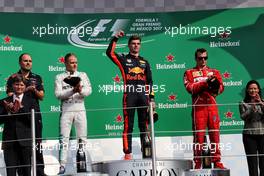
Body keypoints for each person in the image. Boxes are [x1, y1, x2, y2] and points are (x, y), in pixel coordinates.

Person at [106, 31, 155, 160]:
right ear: (129, 45)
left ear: (140, 46)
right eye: (133, 44)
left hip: (143, 96)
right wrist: (115, 38)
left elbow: (150, 82)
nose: (136, 46)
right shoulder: (123, 59)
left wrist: (152, 98)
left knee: (144, 125)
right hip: (130, 96)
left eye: (138, 44)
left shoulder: (145, 62)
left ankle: (147, 151)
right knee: (128, 125)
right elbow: (109, 53)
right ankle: (128, 154)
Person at [183, 48, 225, 169]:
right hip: (199, 107)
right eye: (200, 58)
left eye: (205, 58)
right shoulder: (189, 72)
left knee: (215, 135)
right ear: (196, 59)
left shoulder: (214, 72)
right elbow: (190, 88)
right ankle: (197, 162)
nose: (203, 60)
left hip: (212, 106)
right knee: (199, 137)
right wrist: (206, 83)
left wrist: (215, 87)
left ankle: (217, 161)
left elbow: (221, 88)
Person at [6, 53, 46, 176]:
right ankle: (21, 171)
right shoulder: (13, 77)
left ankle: (39, 172)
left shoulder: (37, 77)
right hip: (18, 115)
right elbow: (9, 95)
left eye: (30, 60)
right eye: (25, 60)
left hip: (33, 114)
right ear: (20, 62)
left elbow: (42, 96)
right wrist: (21, 92)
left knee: (37, 145)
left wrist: (33, 89)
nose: (28, 62)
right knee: (20, 146)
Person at [55, 53, 92, 174]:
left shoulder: (82, 75)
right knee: (63, 138)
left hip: (80, 107)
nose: (74, 64)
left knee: (82, 137)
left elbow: (89, 91)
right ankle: (62, 165)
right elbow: (58, 95)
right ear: (65, 63)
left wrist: (80, 90)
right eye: (71, 62)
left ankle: (81, 162)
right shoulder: (59, 77)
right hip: (66, 108)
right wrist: (73, 90)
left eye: (76, 62)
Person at [0, 75, 39, 176]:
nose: (19, 87)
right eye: (16, 84)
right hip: (10, 142)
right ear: (12, 86)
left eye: (22, 85)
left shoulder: (32, 101)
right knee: (10, 172)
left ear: (25, 86)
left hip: (25, 142)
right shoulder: (4, 101)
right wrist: (7, 111)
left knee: (26, 172)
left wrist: (20, 108)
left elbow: (33, 120)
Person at [239, 80, 264, 176]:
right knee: (252, 163)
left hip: (263, 135)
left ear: (258, 90)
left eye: (255, 88)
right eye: (250, 88)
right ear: (247, 90)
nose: (253, 90)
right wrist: (252, 106)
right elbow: (243, 117)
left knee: (263, 163)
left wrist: (261, 104)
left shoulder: (263, 102)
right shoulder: (243, 103)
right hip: (249, 136)